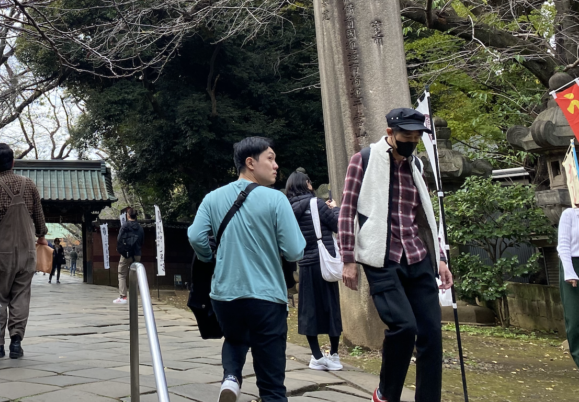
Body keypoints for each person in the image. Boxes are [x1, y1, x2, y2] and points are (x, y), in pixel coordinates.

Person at [338, 108, 454, 402]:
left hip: (417, 255)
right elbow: (347, 209)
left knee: (431, 334)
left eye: (417, 136)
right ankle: (386, 393)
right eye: (407, 135)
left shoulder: (416, 166)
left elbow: (426, 216)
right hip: (382, 257)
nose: (412, 141)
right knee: (404, 326)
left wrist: (441, 258)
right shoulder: (363, 160)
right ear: (390, 133)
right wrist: (348, 259)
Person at [188, 137, 305, 402]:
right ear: (250, 163)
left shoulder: (212, 198)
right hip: (267, 297)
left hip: (224, 295)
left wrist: (208, 256)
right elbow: (295, 250)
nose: (276, 165)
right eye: (271, 158)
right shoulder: (276, 200)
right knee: (272, 382)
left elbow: (196, 237)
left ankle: (231, 378)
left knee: (235, 337)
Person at [0, 143, 48, 360]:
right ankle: (16, 341)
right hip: (27, 250)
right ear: (13, 162)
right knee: (21, 295)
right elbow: (39, 215)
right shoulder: (29, 185)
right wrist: (42, 236)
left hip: (1, 252)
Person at [285, 171, 343, 371]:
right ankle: (334, 355)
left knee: (309, 309)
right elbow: (337, 225)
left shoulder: (288, 209)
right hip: (324, 262)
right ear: (307, 184)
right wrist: (335, 209)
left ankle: (317, 356)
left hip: (305, 264)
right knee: (331, 307)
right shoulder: (317, 204)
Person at [558, 198, 579, 370]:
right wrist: (569, 272)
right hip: (573, 265)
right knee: (575, 317)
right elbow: (563, 245)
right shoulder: (570, 215)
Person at [114, 207, 145, 304]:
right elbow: (142, 241)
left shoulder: (125, 226)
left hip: (126, 254)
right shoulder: (140, 228)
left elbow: (119, 240)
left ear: (128, 215)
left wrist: (121, 250)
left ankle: (123, 297)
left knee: (122, 274)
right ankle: (134, 295)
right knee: (135, 274)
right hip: (137, 254)